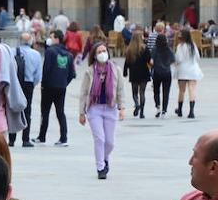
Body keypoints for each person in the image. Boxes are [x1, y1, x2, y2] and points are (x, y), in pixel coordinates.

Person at [79, 41, 125, 179]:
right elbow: (84, 92)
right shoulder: (90, 71)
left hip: (110, 108)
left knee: (110, 142)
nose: (102, 54)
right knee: (99, 138)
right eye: (99, 52)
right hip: (94, 108)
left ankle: (104, 158)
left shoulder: (115, 69)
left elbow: (120, 90)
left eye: (104, 51)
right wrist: (82, 112)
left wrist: (122, 107)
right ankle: (100, 168)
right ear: (94, 55)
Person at [36, 30, 75, 146]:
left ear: (57, 38)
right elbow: (72, 73)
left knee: (45, 112)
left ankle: (42, 137)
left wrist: (43, 84)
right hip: (61, 87)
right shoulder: (69, 54)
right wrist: (64, 83)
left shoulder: (50, 51)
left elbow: (46, 69)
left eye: (51, 37)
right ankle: (64, 138)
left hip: (49, 86)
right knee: (60, 113)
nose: (50, 39)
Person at [13, 32, 41, 148]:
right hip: (28, 84)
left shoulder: (12, 51)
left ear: (19, 40)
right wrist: (32, 84)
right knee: (27, 111)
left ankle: (11, 139)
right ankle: (25, 139)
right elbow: (38, 75)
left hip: (15, 83)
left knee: (13, 109)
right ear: (30, 41)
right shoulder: (36, 54)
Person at [173, 29, 203, 118]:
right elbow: (198, 57)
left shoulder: (180, 46)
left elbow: (178, 59)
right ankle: (191, 111)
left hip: (182, 70)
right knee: (192, 90)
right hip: (193, 70)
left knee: (181, 91)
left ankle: (180, 110)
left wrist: (174, 63)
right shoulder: (193, 45)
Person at [122, 29, 151, 119]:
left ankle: (136, 103)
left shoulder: (129, 49)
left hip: (134, 72)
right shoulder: (145, 48)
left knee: (134, 92)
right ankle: (142, 112)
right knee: (142, 92)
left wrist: (125, 71)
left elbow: (127, 62)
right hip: (144, 72)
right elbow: (148, 60)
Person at [150, 34, 173, 117]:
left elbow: (151, 61)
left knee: (156, 91)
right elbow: (173, 59)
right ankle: (164, 110)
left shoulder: (155, 49)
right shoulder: (168, 49)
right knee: (166, 92)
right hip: (167, 72)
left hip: (157, 72)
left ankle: (158, 106)